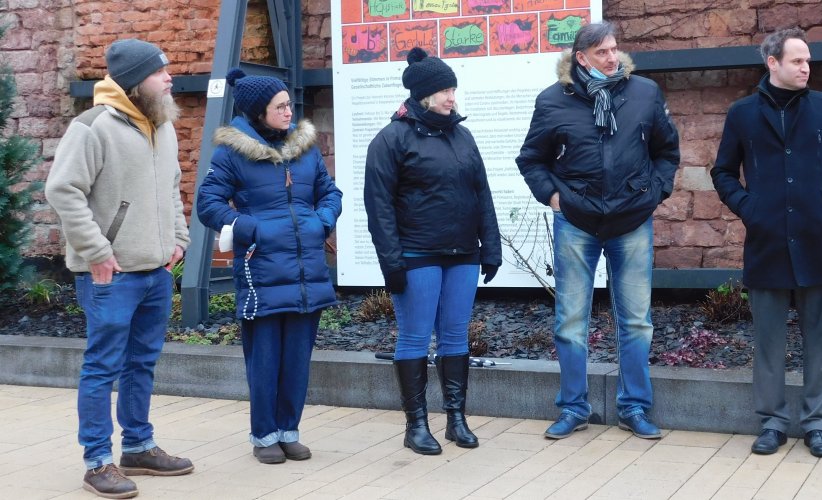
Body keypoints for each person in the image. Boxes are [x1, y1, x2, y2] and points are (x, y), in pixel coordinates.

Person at [516, 22, 680, 440]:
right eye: (602, 52)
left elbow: (667, 152)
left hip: (632, 220)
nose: (613, 57)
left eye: (614, 49)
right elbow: (532, 159)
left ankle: (635, 408)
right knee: (570, 321)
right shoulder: (553, 101)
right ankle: (573, 408)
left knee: (637, 321)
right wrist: (555, 199)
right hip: (576, 221)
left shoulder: (644, 93)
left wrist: (653, 194)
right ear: (581, 58)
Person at [46, 38, 194, 498]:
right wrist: (96, 250)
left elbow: (172, 186)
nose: (169, 77)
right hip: (110, 274)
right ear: (135, 80)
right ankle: (97, 461)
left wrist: (179, 238)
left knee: (142, 365)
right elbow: (63, 189)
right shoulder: (92, 127)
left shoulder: (162, 124)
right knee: (102, 367)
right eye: (160, 71)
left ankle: (138, 446)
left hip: (154, 271)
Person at [710, 28, 822, 458]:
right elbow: (723, 172)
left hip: (817, 241)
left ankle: (818, 424)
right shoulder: (742, 114)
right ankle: (772, 422)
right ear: (772, 63)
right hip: (767, 243)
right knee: (769, 341)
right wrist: (749, 208)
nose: (806, 68)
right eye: (797, 61)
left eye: (808, 60)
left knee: (821, 341)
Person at [195, 69, 342, 464]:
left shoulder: (304, 147)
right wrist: (249, 228)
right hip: (260, 270)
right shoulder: (232, 153)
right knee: (264, 359)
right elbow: (207, 203)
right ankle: (264, 436)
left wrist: (323, 220)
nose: (288, 111)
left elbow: (329, 192)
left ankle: (289, 431)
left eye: (289, 105)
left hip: (306, 270)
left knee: (297, 356)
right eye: (280, 106)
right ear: (259, 111)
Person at [365, 47, 502, 455]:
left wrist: (489, 247)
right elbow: (380, 208)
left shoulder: (462, 135)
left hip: (462, 253)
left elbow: (482, 193)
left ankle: (456, 420)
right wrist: (392, 262)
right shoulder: (391, 139)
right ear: (424, 94)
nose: (451, 98)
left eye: (453, 89)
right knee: (414, 337)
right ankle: (416, 425)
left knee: (456, 336)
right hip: (417, 255)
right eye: (444, 90)